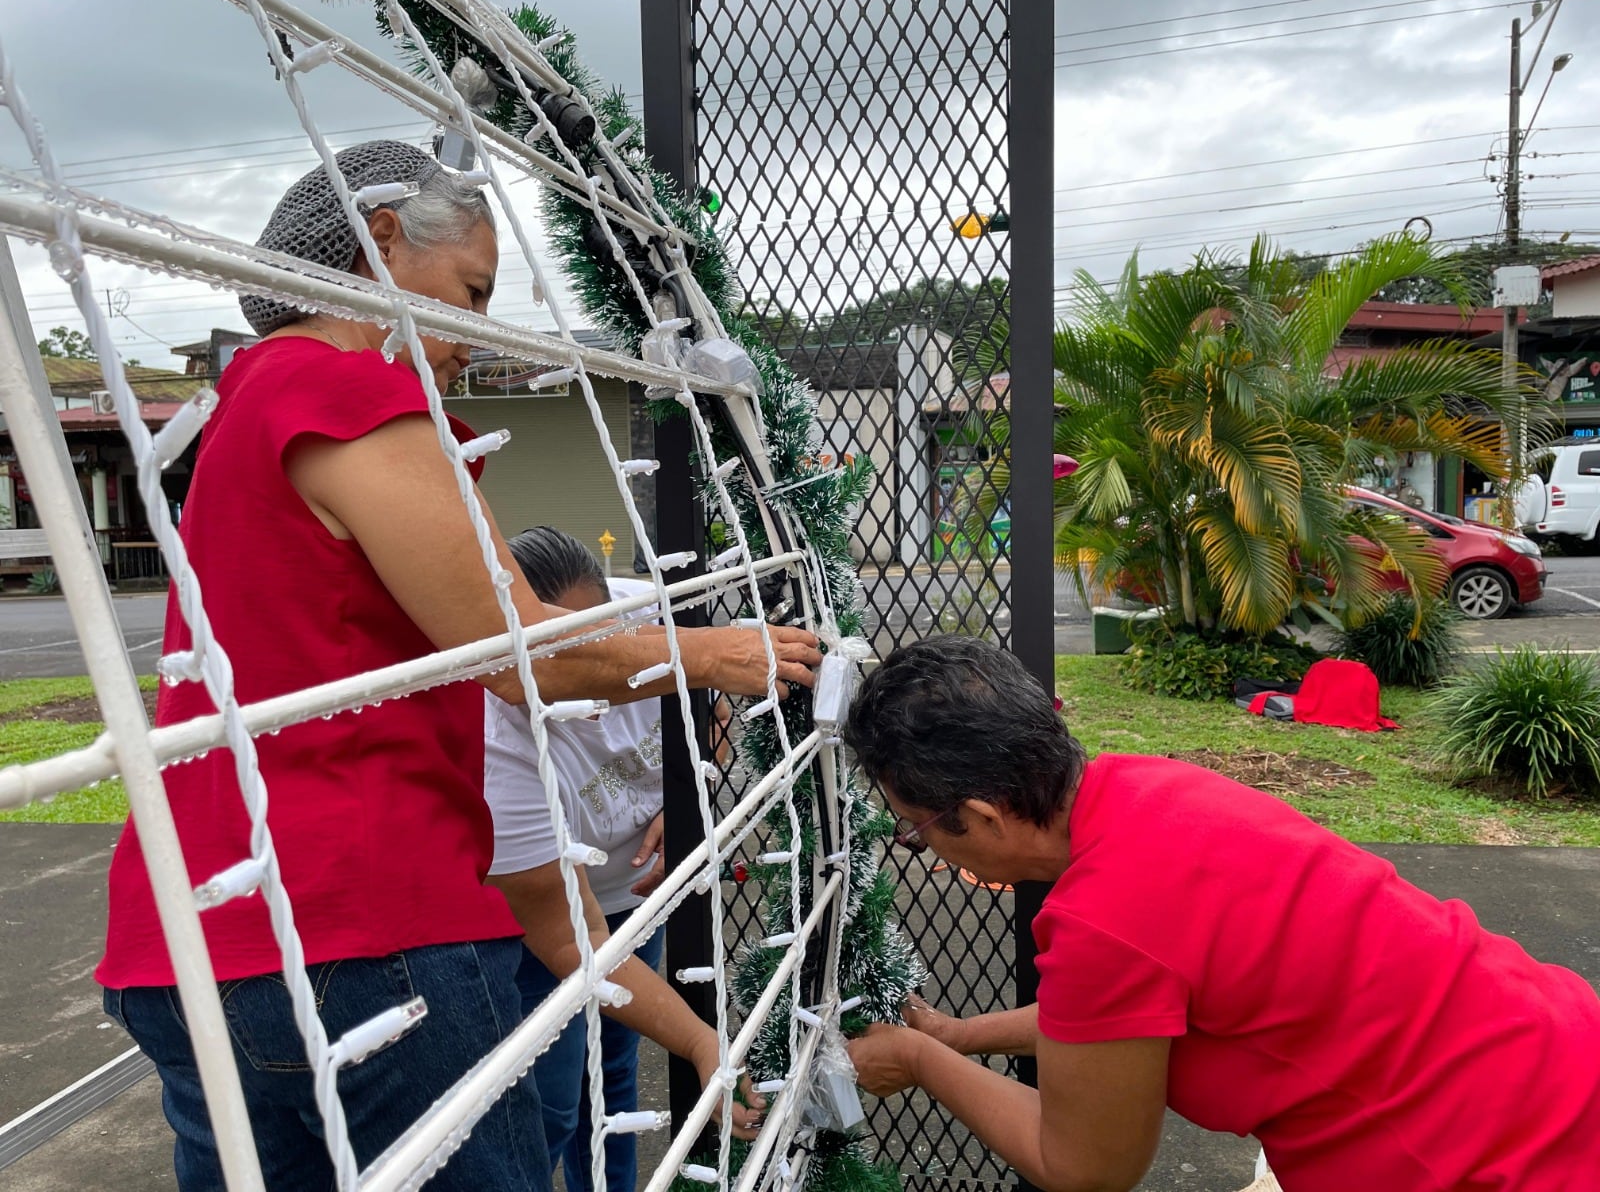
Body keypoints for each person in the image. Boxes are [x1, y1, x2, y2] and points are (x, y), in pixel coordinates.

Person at [95, 141, 819, 1191]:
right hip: (361, 923)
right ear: (381, 237)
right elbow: (527, 653)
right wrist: (713, 653)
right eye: (472, 293)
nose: (476, 339)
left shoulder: (250, 399)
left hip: (198, 931)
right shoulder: (343, 390)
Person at [841, 635, 1600, 1192]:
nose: (926, 850)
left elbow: (1084, 1166)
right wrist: (958, 1035)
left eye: (915, 830)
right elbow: (1117, 1021)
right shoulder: (1147, 791)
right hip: (1554, 1054)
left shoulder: (1104, 919)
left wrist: (919, 1060)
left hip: (1500, 1158)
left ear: (979, 816)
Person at [483, 526, 749, 1192]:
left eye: (593, 651)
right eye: (557, 659)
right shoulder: (494, 726)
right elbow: (572, 940)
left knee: (617, 1075)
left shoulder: (645, 617)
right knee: (549, 1100)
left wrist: (683, 803)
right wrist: (694, 1040)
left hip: (635, 903)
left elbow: (715, 724)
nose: (585, 674)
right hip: (548, 931)